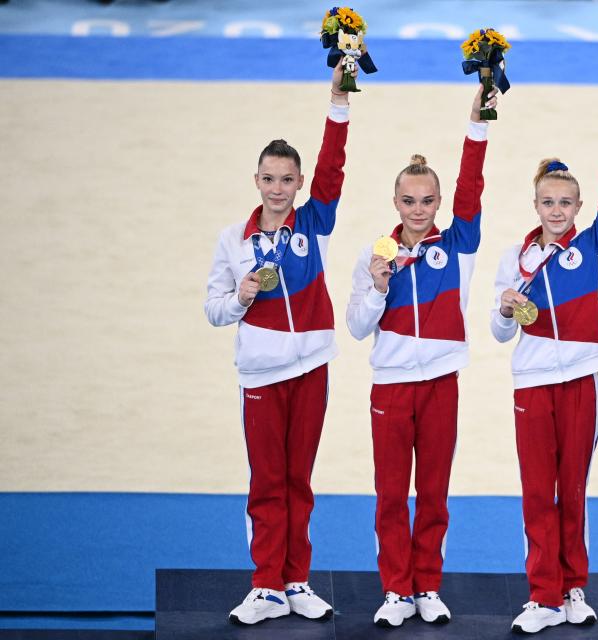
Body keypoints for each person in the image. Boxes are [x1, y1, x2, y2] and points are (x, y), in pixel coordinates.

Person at [203, 65, 357, 626]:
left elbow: (333, 170)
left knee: (300, 480)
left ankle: (296, 580)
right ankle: (265, 585)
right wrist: (241, 297)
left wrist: (339, 101)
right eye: (268, 179)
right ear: (257, 181)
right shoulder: (233, 241)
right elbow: (214, 310)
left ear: (297, 185)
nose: (277, 188)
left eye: (286, 179)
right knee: (267, 482)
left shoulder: (313, 223)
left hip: (312, 365)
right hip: (261, 374)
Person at [491, 84, 598, 634]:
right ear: (535, 205)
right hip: (532, 383)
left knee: (572, 489)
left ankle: (574, 587)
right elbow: (496, 332)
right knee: (538, 491)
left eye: (565, 204)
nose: (556, 211)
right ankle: (543, 595)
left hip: (582, 380)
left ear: (578, 208)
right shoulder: (516, 256)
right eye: (548, 203)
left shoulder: (597, 245)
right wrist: (508, 310)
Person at [346, 84, 498, 628]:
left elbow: (473, 187)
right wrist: (379, 288)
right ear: (395, 203)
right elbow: (357, 327)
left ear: (438, 203)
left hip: (440, 383)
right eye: (408, 201)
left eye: (427, 201)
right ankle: (395, 589)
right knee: (391, 493)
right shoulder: (375, 253)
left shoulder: (456, 248)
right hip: (389, 385)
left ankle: (427, 585)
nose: (417, 210)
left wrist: (479, 121)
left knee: (432, 491)